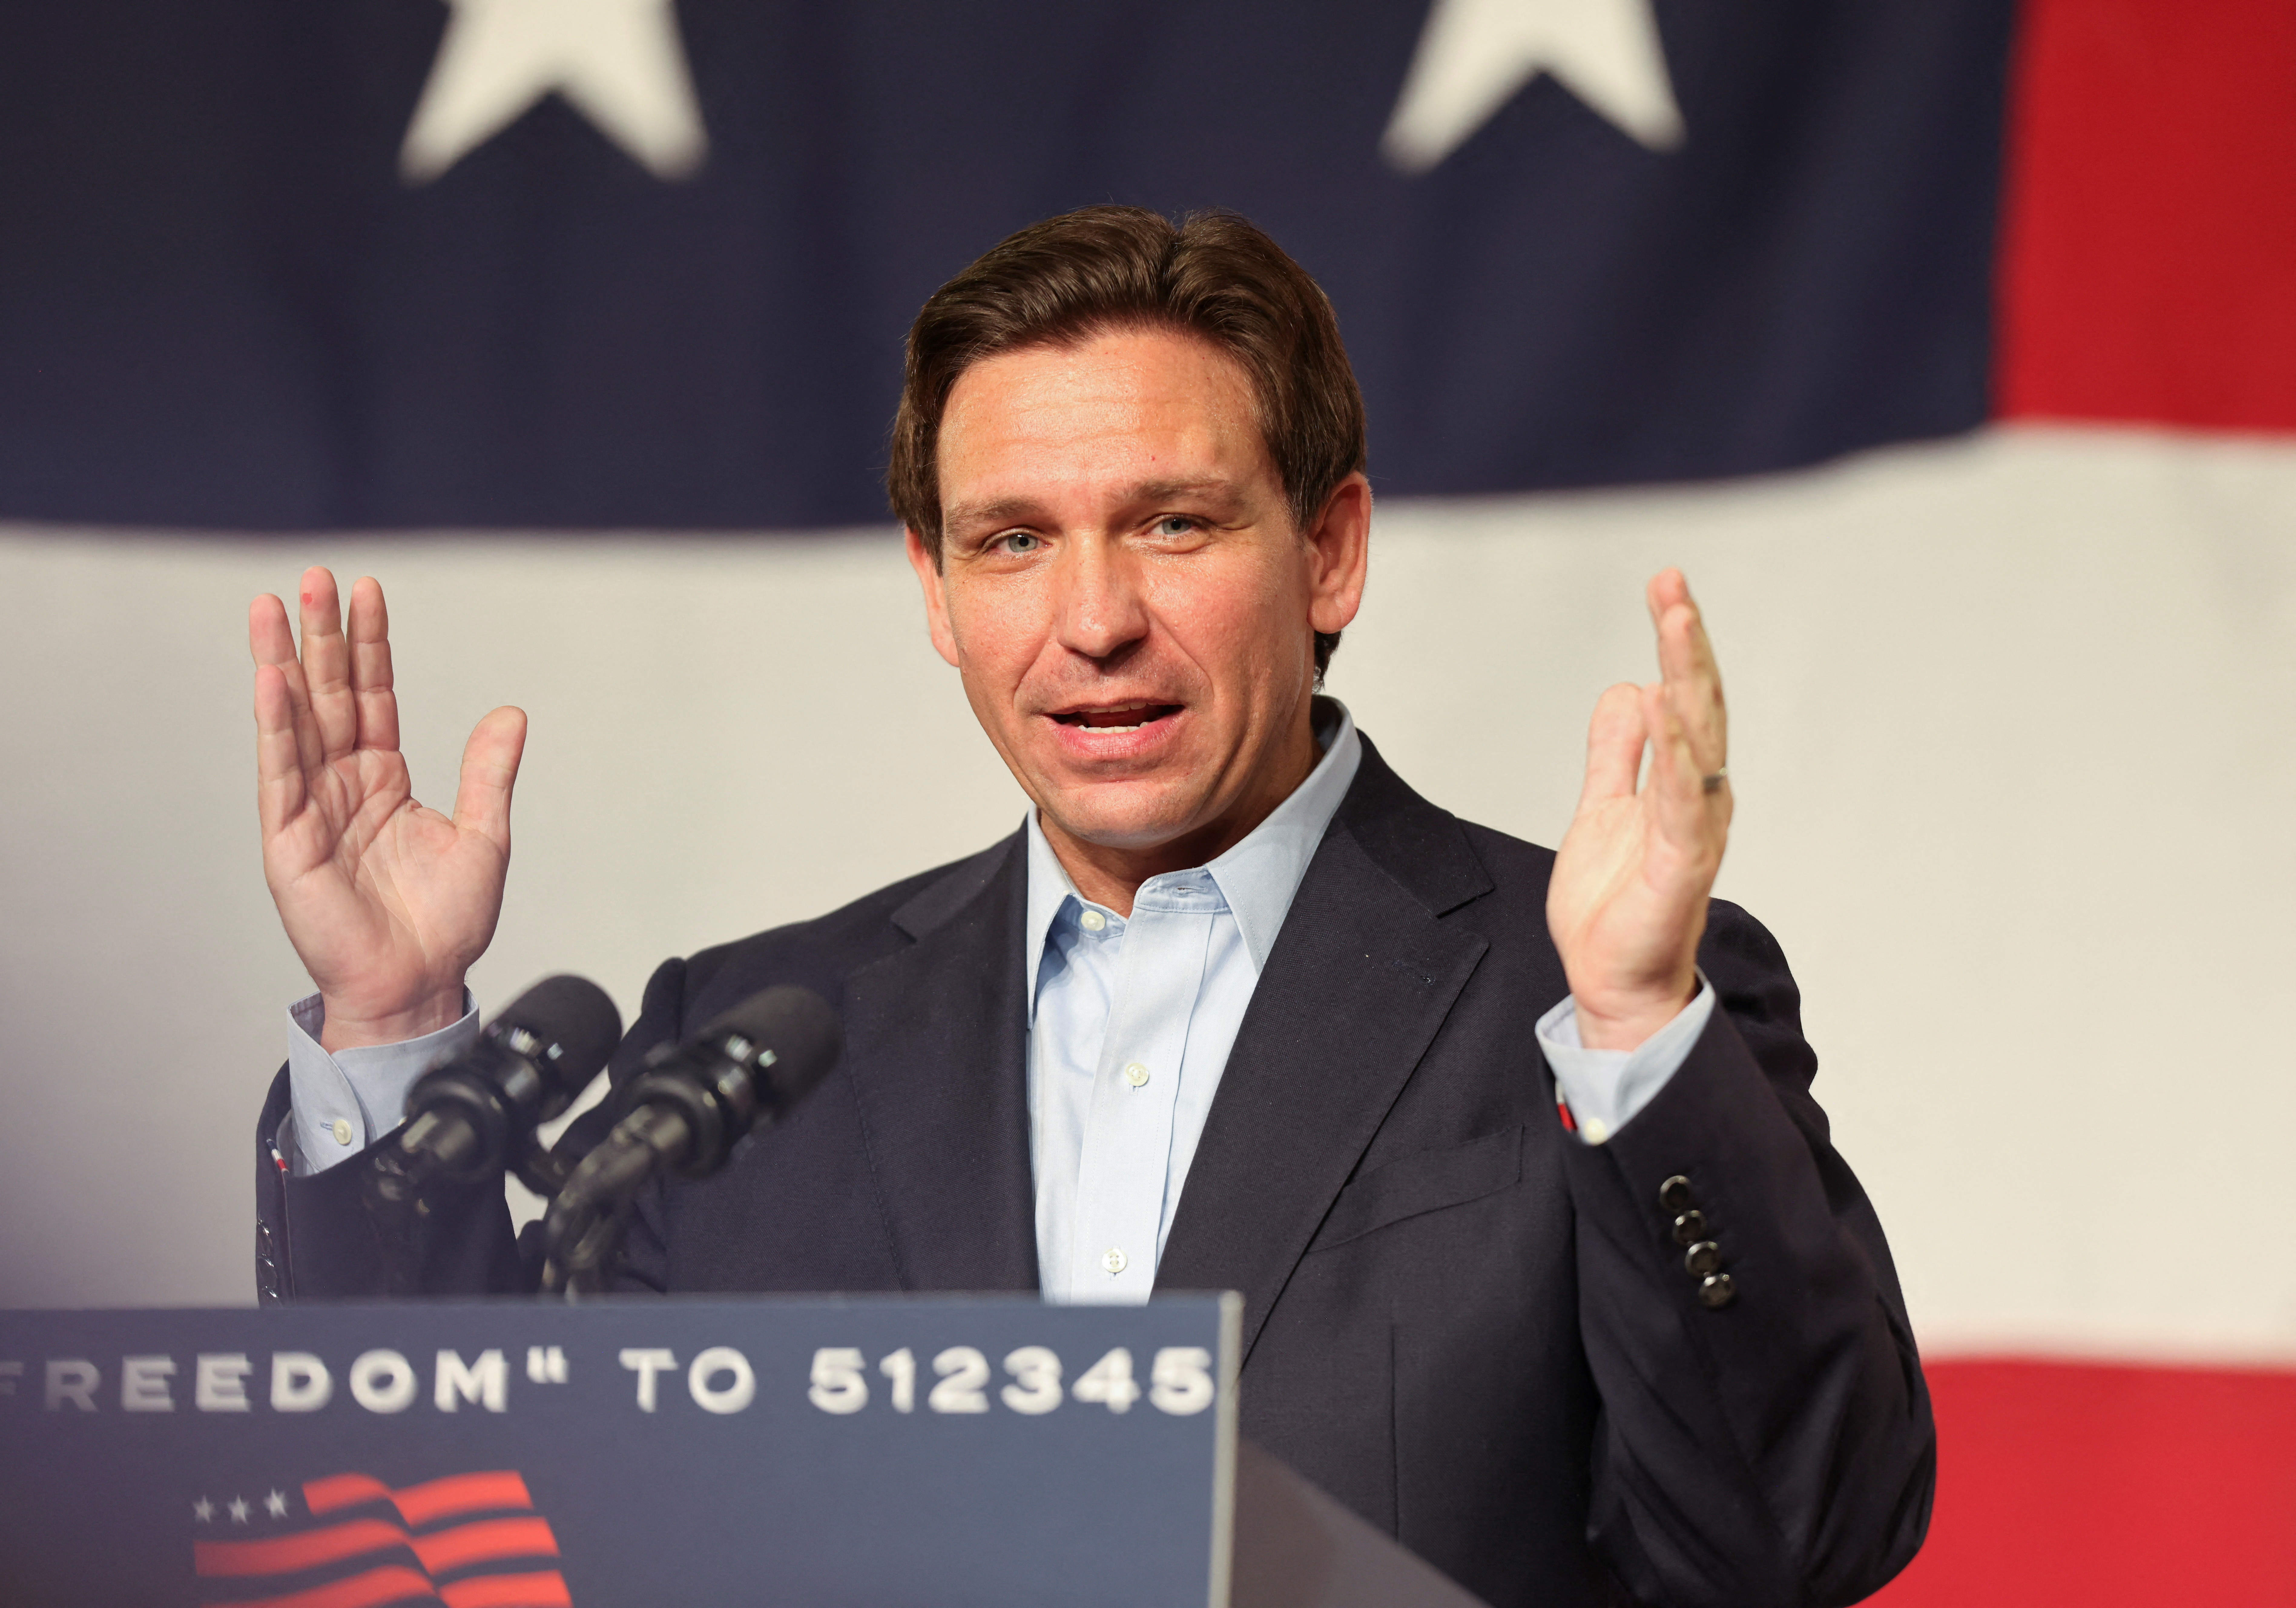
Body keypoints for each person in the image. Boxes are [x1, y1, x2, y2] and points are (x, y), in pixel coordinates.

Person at [248, 207, 1933, 1608]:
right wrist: (395, 1025)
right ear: (933, 588)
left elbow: (1794, 1543)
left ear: (1328, 551)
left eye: (1173, 524)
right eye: (1009, 543)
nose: (1094, 620)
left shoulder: (1586, 991)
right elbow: (464, 1521)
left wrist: (1636, 1037)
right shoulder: (753, 1053)